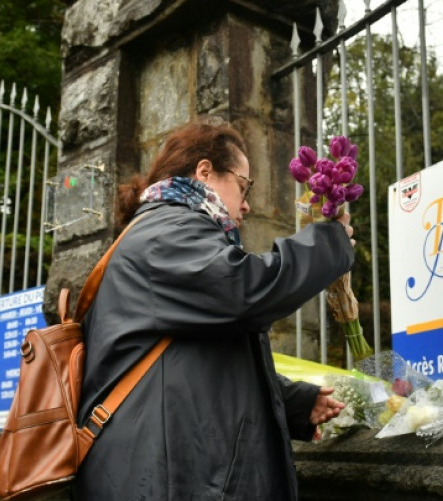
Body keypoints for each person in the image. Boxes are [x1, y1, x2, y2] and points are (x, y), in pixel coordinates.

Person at [74, 121, 354, 500]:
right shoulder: (165, 231)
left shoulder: (165, 232)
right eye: (243, 185)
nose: (247, 204)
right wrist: (328, 244)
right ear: (204, 171)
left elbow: (193, 363)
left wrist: (293, 403)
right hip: (162, 482)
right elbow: (245, 293)